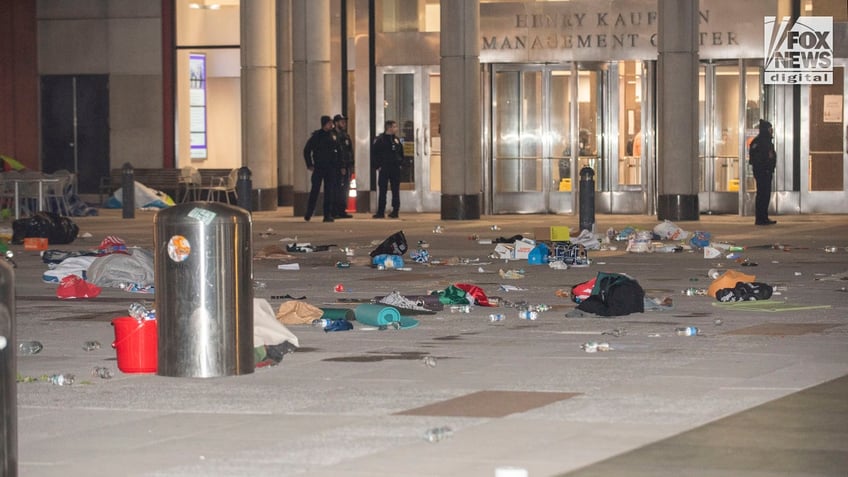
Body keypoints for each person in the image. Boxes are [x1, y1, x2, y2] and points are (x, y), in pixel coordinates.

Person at [303, 115, 340, 222]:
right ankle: (309, 213)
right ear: (324, 124)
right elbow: (307, 150)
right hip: (319, 167)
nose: (331, 125)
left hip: (331, 168)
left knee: (329, 191)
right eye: (329, 123)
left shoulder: (333, 135)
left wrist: (339, 164)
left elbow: (339, 150)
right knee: (315, 190)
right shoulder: (317, 136)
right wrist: (309, 164)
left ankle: (327, 214)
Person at [371, 120, 403, 218]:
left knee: (395, 190)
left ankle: (395, 211)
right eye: (394, 127)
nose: (396, 129)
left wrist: (400, 163)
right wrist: (377, 166)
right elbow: (374, 153)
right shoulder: (380, 140)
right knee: (383, 189)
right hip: (384, 167)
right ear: (389, 128)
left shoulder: (396, 140)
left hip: (395, 168)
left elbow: (401, 153)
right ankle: (381, 211)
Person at [748, 119, 777, 226]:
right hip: (763, 172)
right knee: (762, 195)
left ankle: (763, 217)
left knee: (764, 195)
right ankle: (761, 218)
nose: (772, 131)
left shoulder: (762, 141)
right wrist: (767, 166)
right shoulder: (761, 142)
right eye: (770, 129)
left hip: (765, 172)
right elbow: (758, 159)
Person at [333, 114, 354, 218]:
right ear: (336, 123)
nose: (344, 124)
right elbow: (337, 153)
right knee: (337, 188)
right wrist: (341, 166)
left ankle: (342, 210)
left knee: (345, 189)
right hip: (337, 167)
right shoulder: (333, 136)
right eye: (342, 122)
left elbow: (349, 151)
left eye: (344, 122)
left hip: (347, 166)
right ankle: (335, 211)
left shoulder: (346, 136)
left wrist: (351, 164)